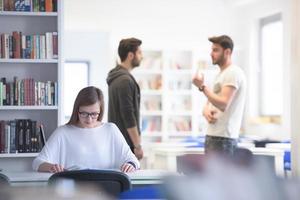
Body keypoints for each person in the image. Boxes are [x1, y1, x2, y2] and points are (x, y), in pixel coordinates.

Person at [32, 86, 139, 173]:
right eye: (84, 113)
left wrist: (130, 165)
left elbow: (133, 160)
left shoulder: (111, 130)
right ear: (76, 110)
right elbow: (37, 163)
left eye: (94, 114)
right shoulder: (63, 132)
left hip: (106, 191)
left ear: (100, 112)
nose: (89, 119)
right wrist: (51, 167)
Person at [192, 35, 246, 156]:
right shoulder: (220, 74)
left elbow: (223, 104)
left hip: (224, 138)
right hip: (214, 136)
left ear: (227, 52)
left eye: (215, 50)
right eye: (212, 50)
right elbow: (210, 102)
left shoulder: (233, 72)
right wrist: (205, 110)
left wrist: (202, 87)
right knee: (210, 175)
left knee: (222, 175)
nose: (211, 53)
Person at [106, 38, 144, 160]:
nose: (142, 56)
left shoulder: (116, 77)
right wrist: (137, 146)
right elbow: (128, 114)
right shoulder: (125, 80)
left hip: (118, 142)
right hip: (126, 145)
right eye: (139, 53)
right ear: (131, 55)